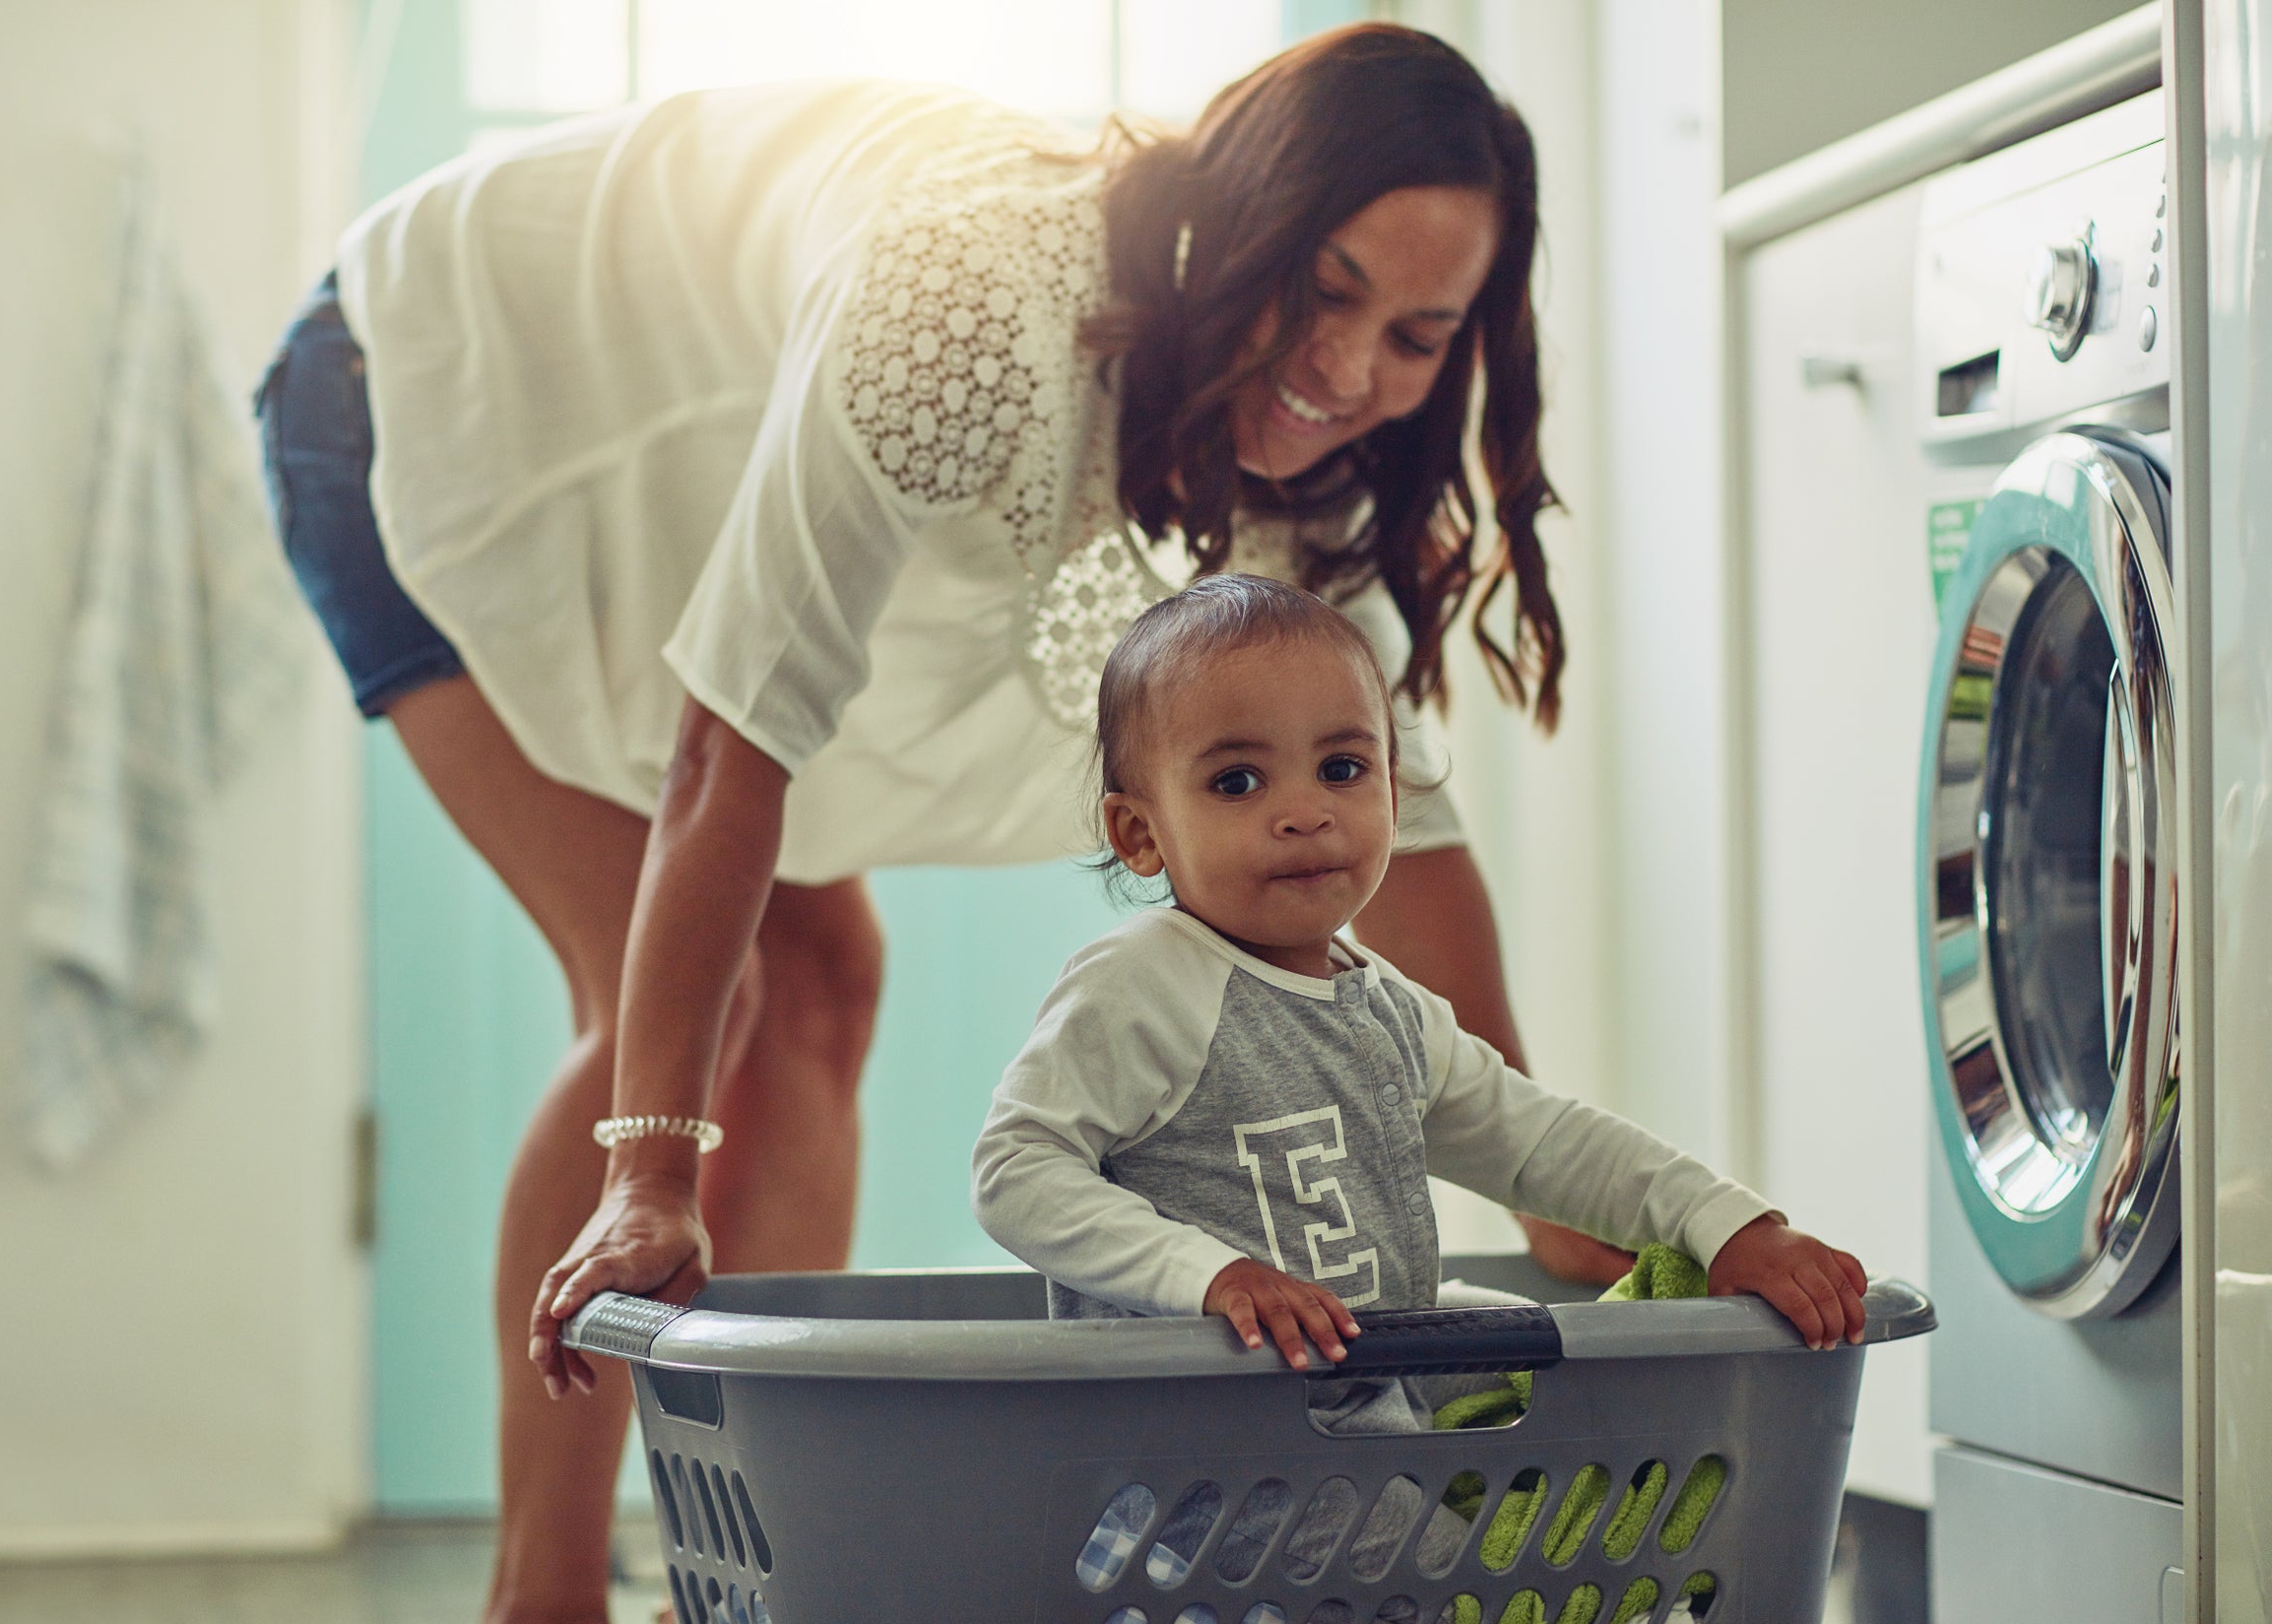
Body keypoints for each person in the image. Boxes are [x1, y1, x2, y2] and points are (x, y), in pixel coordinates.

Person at [256, 23, 1621, 1623]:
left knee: (823, 982)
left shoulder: (1322, 462)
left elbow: (1409, 831)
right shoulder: (969, 301)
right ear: (1233, 216)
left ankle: (768, 1574)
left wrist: (1558, 1200)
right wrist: (649, 1175)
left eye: (1415, 332)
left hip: (682, 489)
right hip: (434, 403)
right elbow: (730, 748)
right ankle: (538, 1594)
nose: (1350, 368)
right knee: (683, 1020)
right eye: (1322, 286)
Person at [972, 576, 1869, 1426]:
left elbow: (1538, 1139)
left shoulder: (1385, 1009)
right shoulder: (1144, 982)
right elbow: (1017, 1166)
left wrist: (1725, 1224)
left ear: (1396, 792)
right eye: (1237, 781)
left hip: (1363, 1404)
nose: (1305, 811)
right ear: (1140, 832)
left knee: (1542, 1357)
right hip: (1206, 1441)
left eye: (1342, 767)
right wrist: (1211, 1276)